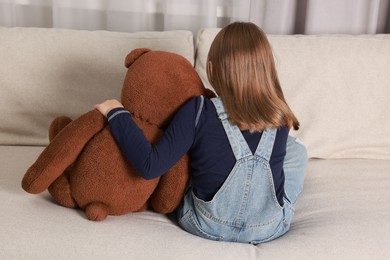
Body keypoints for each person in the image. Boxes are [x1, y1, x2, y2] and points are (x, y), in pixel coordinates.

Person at [95, 22, 307, 244]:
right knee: (298, 149)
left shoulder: (198, 110)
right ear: (267, 70)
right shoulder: (280, 116)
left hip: (204, 225)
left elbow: (150, 166)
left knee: (196, 151)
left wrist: (116, 113)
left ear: (212, 69)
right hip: (267, 229)